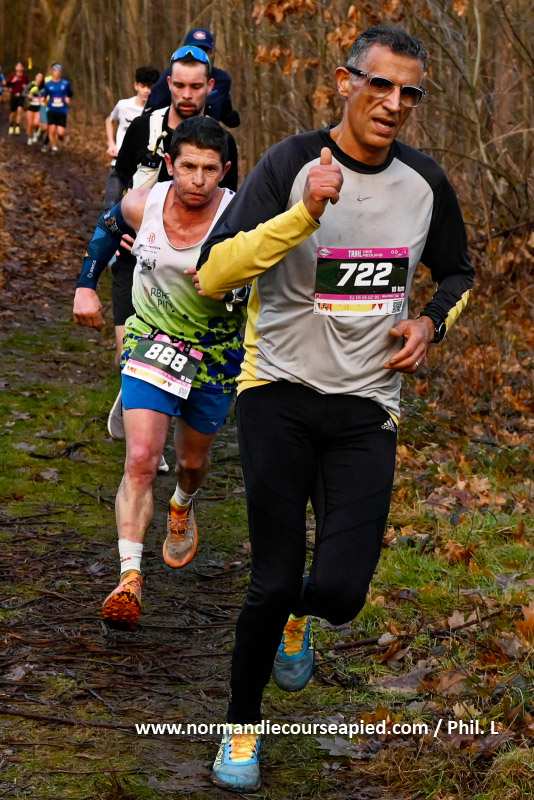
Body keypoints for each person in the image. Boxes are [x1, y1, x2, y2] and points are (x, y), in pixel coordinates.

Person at [197, 24, 475, 792]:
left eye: (409, 92)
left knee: (343, 595)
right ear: (346, 81)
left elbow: (458, 274)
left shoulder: (424, 184)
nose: (393, 103)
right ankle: (242, 727)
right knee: (273, 576)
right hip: (278, 392)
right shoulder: (291, 163)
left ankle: (301, 619)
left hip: (366, 405)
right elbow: (214, 272)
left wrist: (430, 322)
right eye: (379, 84)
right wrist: (303, 216)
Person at [73, 116, 246, 624]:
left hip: (214, 351)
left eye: (209, 169)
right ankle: (129, 578)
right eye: (188, 166)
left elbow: (278, 265)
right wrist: (86, 285)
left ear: (224, 171)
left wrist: (239, 286)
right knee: (142, 459)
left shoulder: (241, 214)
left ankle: (182, 504)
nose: (198, 179)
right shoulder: (144, 202)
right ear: (170, 164)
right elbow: (107, 228)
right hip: (152, 339)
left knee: (191, 462)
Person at [103, 46, 238, 449]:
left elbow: (234, 208)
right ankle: (141, 418)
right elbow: (118, 176)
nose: (187, 94)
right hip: (137, 250)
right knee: (128, 343)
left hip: (194, 268)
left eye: (195, 86)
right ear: (169, 85)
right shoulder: (145, 125)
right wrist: (116, 225)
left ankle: (161, 414)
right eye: (179, 85)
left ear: (210, 87)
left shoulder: (220, 141)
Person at [145, 28, 240, 127]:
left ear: (212, 52)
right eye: (180, 85)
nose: (198, 55)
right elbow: (152, 106)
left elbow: (225, 110)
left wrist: (232, 118)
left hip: (209, 133)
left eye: (204, 51)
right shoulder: (173, 75)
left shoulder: (222, 79)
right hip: (176, 131)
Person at [105, 65, 160, 165]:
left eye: (150, 87)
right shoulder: (123, 105)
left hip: (145, 164)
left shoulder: (158, 111)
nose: (146, 90)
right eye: (143, 86)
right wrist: (111, 143)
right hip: (119, 161)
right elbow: (109, 120)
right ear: (136, 85)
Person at [43, 63, 73, 152]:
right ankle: (54, 148)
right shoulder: (48, 84)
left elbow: (70, 93)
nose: (57, 73)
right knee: (51, 129)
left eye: (59, 71)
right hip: (52, 109)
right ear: (52, 72)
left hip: (62, 110)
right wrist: (45, 101)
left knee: (61, 132)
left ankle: (59, 137)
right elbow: (44, 96)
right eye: (55, 71)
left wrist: (68, 98)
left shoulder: (65, 83)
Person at [6, 62, 29, 134]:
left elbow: (28, 86)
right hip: (13, 96)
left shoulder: (25, 77)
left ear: (23, 68)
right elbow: (7, 85)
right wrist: (13, 81)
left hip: (21, 96)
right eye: (18, 66)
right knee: (13, 112)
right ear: (15, 68)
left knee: (20, 110)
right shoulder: (12, 76)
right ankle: (11, 125)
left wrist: (25, 87)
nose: (19, 67)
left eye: (20, 66)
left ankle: (17, 126)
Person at [24, 72, 45, 144]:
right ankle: (29, 137)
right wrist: (28, 95)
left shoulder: (43, 87)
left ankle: (35, 132)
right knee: (30, 124)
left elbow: (46, 95)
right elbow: (23, 93)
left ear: (42, 79)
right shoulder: (31, 84)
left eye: (41, 77)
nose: (39, 78)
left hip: (39, 107)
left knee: (36, 123)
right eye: (38, 76)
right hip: (30, 106)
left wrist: (43, 99)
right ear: (35, 77)